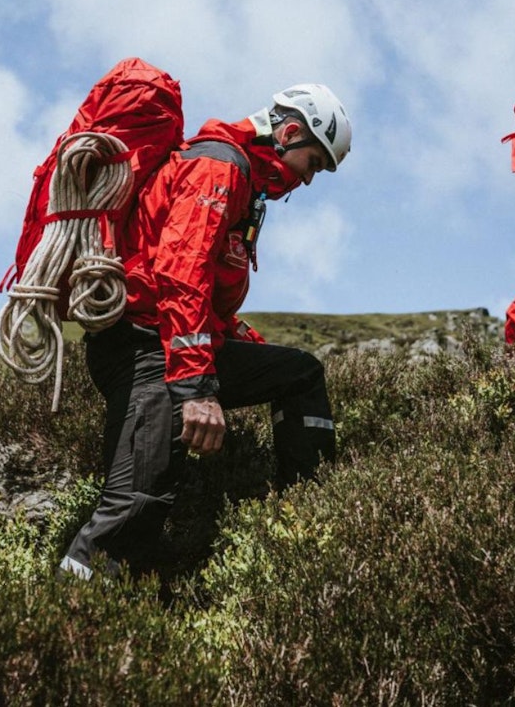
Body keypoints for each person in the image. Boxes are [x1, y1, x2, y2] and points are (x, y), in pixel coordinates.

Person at [59, 84, 352, 579]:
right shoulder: (220, 166)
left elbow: (200, 289)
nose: (310, 179)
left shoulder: (244, 182)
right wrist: (196, 391)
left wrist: (238, 343)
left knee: (299, 374)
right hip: (143, 348)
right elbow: (180, 273)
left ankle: (307, 515)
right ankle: (62, 616)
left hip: (169, 343)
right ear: (292, 132)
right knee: (137, 500)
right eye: (315, 163)